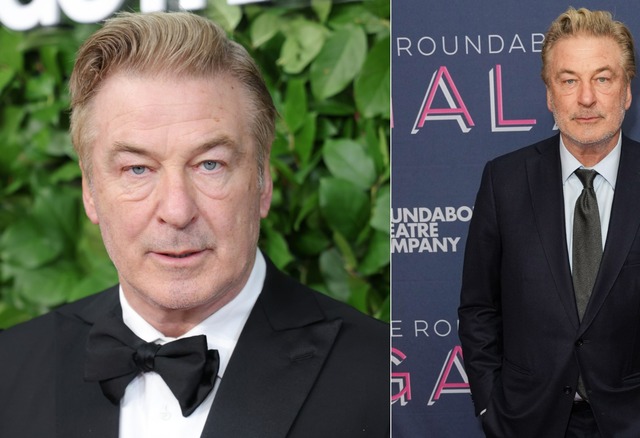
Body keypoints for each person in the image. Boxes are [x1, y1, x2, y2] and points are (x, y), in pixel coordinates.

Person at [0, 11, 388, 438]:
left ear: (263, 182)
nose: (177, 210)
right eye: (137, 169)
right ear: (90, 191)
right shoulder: (10, 369)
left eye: (209, 164)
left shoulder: (386, 379)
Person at [458, 7, 640, 438]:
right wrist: (490, 405)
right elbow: (478, 307)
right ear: (549, 94)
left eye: (602, 78)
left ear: (627, 90)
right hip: (526, 421)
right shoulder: (503, 181)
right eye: (568, 80)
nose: (586, 98)